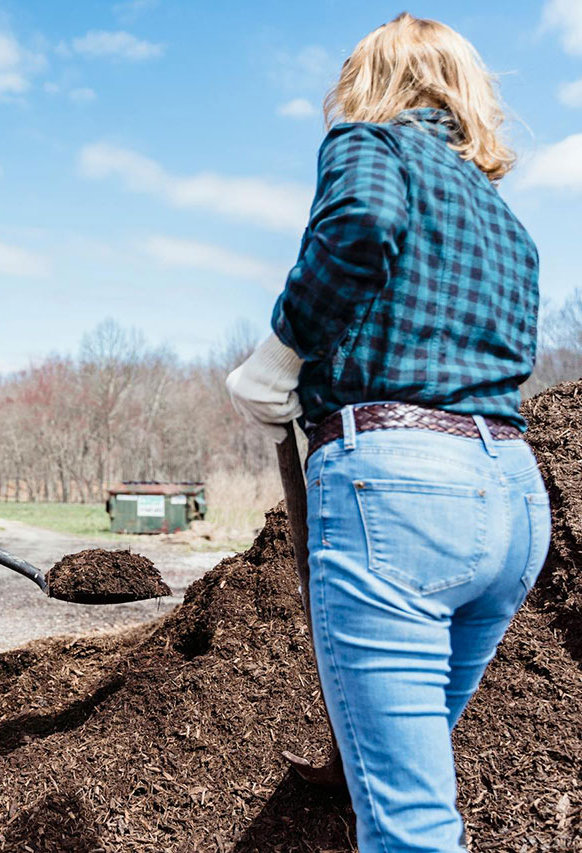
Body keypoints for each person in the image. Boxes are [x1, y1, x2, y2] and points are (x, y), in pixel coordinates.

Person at [226, 14, 548, 852]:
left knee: (410, 826)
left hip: (401, 497)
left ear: (370, 82)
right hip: (514, 497)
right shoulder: (502, 217)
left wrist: (283, 347)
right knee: (413, 767)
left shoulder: (372, 144)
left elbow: (363, 222)